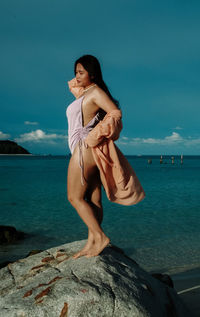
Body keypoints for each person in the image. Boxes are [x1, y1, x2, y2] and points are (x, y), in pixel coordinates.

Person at [66, 54, 145, 259]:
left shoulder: (95, 92)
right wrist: (83, 77)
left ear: (92, 73)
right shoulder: (86, 92)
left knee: (74, 197)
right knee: (93, 198)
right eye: (75, 72)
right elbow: (75, 87)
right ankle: (92, 241)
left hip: (84, 150)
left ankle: (100, 237)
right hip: (87, 150)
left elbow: (115, 113)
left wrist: (94, 135)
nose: (77, 76)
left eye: (81, 72)